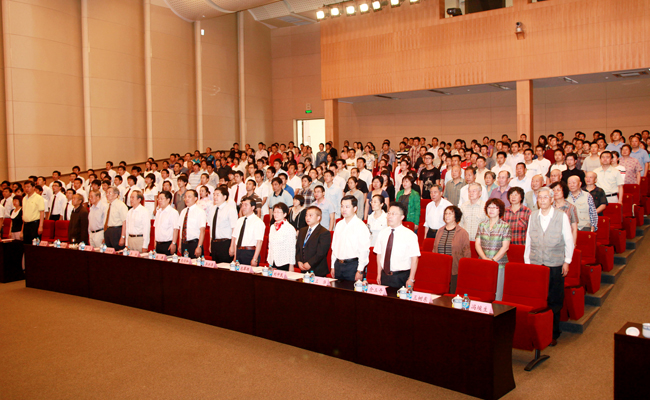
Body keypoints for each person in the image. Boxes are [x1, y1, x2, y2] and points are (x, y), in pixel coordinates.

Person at [524, 186, 575, 346]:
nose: (542, 200)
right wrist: (527, 261)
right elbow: (528, 240)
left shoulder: (561, 216)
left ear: (552, 199)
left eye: (546, 197)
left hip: (555, 263)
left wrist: (567, 261)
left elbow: (568, 240)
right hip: (536, 263)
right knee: (537, 298)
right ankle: (537, 331)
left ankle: (552, 333)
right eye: (540, 197)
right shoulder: (533, 215)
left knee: (554, 300)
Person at [374, 202, 420, 289]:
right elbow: (379, 254)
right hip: (384, 275)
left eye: (394, 214)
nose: (390, 216)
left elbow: (414, 259)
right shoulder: (382, 233)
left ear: (402, 217)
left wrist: (411, 278)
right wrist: (379, 273)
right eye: (389, 213)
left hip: (401, 276)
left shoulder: (410, 235)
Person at [330, 195, 371, 282]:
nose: (344, 209)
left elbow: (364, 250)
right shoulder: (339, 224)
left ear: (355, 208)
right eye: (342, 206)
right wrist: (333, 266)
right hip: (338, 265)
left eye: (347, 207)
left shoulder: (361, 226)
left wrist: (360, 270)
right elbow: (334, 247)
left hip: (352, 266)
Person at [434, 205, 471, 294]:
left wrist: (464, 269)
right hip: (440, 268)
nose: (447, 216)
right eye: (446, 213)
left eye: (450, 213)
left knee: (452, 293)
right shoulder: (440, 231)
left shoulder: (462, 233)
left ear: (456, 216)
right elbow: (434, 249)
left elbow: (467, 253)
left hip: (455, 269)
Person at [295, 206, 332, 277]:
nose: (307, 218)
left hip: (317, 270)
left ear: (318, 218)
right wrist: (299, 261)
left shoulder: (324, 232)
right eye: (306, 215)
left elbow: (321, 253)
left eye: (310, 215)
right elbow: (298, 248)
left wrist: (310, 263)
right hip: (303, 268)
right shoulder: (302, 230)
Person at [206, 186, 238, 263]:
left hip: (225, 243)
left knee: (225, 267)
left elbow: (234, 229)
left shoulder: (230, 209)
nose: (215, 197)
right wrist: (210, 243)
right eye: (214, 194)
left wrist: (232, 246)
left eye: (217, 195)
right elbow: (211, 227)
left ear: (224, 197)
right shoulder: (212, 209)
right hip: (214, 243)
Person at [230, 197, 265, 266]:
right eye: (242, 205)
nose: (243, 207)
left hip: (250, 253)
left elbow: (259, 242)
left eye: (246, 205)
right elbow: (236, 239)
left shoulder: (258, 222)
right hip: (239, 252)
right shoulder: (239, 221)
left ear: (253, 207)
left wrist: (255, 259)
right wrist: (235, 256)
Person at [172, 189, 206, 258]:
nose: (186, 199)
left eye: (189, 197)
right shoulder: (183, 211)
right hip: (184, 244)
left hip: (194, 243)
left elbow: (202, 231)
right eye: (185, 197)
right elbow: (181, 229)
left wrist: (199, 246)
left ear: (196, 198)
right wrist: (180, 244)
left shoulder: (200, 212)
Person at [267, 203, 297, 271]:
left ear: (285, 214)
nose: (275, 214)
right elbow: (270, 245)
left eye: (278, 212)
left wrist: (291, 265)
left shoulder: (289, 228)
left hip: (284, 262)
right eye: (274, 212)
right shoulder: (272, 227)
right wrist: (270, 261)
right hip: (273, 261)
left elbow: (292, 248)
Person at [154, 191, 180, 255]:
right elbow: (156, 228)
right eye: (159, 199)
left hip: (168, 244)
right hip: (158, 244)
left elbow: (175, 229)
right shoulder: (158, 212)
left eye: (162, 199)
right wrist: (155, 242)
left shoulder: (173, 212)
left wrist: (173, 243)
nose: (159, 201)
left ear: (168, 200)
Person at [103, 187, 128, 251]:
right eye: (106, 193)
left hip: (117, 231)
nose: (107, 194)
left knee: (117, 252)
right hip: (108, 230)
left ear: (116, 195)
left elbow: (125, 222)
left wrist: (123, 237)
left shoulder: (121, 205)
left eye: (109, 193)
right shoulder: (108, 206)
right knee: (109, 252)